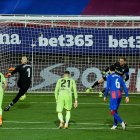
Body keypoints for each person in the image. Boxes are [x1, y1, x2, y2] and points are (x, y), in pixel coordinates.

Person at [104, 65, 129, 130]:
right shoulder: (120, 77)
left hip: (113, 94)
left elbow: (107, 88)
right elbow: (124, 87)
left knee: (112, 111)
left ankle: (122, 122)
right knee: (115, 110)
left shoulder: (109, 77)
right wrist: (127, 96)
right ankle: (115, 125)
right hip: (119, 94)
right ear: (115, 70)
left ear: (109, 70)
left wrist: (105, 96)